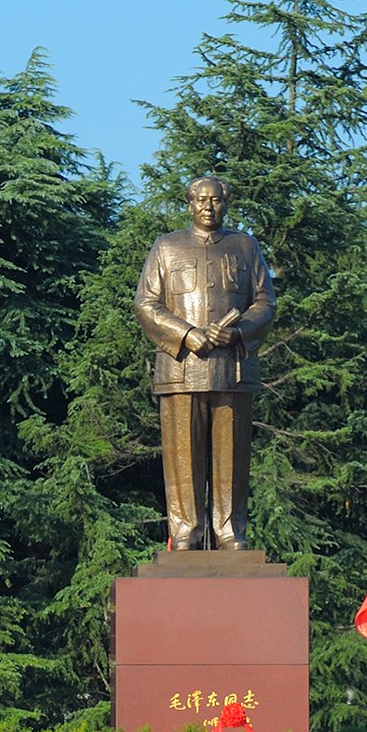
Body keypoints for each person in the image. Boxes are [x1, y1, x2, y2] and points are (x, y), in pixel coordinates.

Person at [133, 175, 278, 550]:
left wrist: (239, 331)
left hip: (232, 368)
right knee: (183, 456)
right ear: (189, 204)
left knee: (232, 457)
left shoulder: (245, 246)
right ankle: (186, 532)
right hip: (180, 368)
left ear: (225, 203)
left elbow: (265, 302)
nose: (208, 207)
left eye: (215, 200)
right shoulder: (166, 248)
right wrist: (185, 334)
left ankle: (230, 531)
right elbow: (147, 305)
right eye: (201, 200)